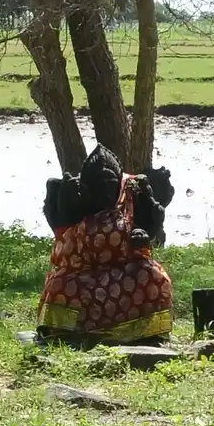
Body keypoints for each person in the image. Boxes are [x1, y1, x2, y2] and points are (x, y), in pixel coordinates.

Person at [38, 145, 173, 343]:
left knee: (155, 277)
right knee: (59, 284)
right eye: (99, 185)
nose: (106, 191)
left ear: (118, 184)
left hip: (125, 270)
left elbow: (149, 228)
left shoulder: (132, 196)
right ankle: (64, 332)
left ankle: (144, 331)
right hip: (82, 273)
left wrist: (142, 236)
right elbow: (64, 245)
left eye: (110, 184)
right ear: (87, 188)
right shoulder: (75, 203)